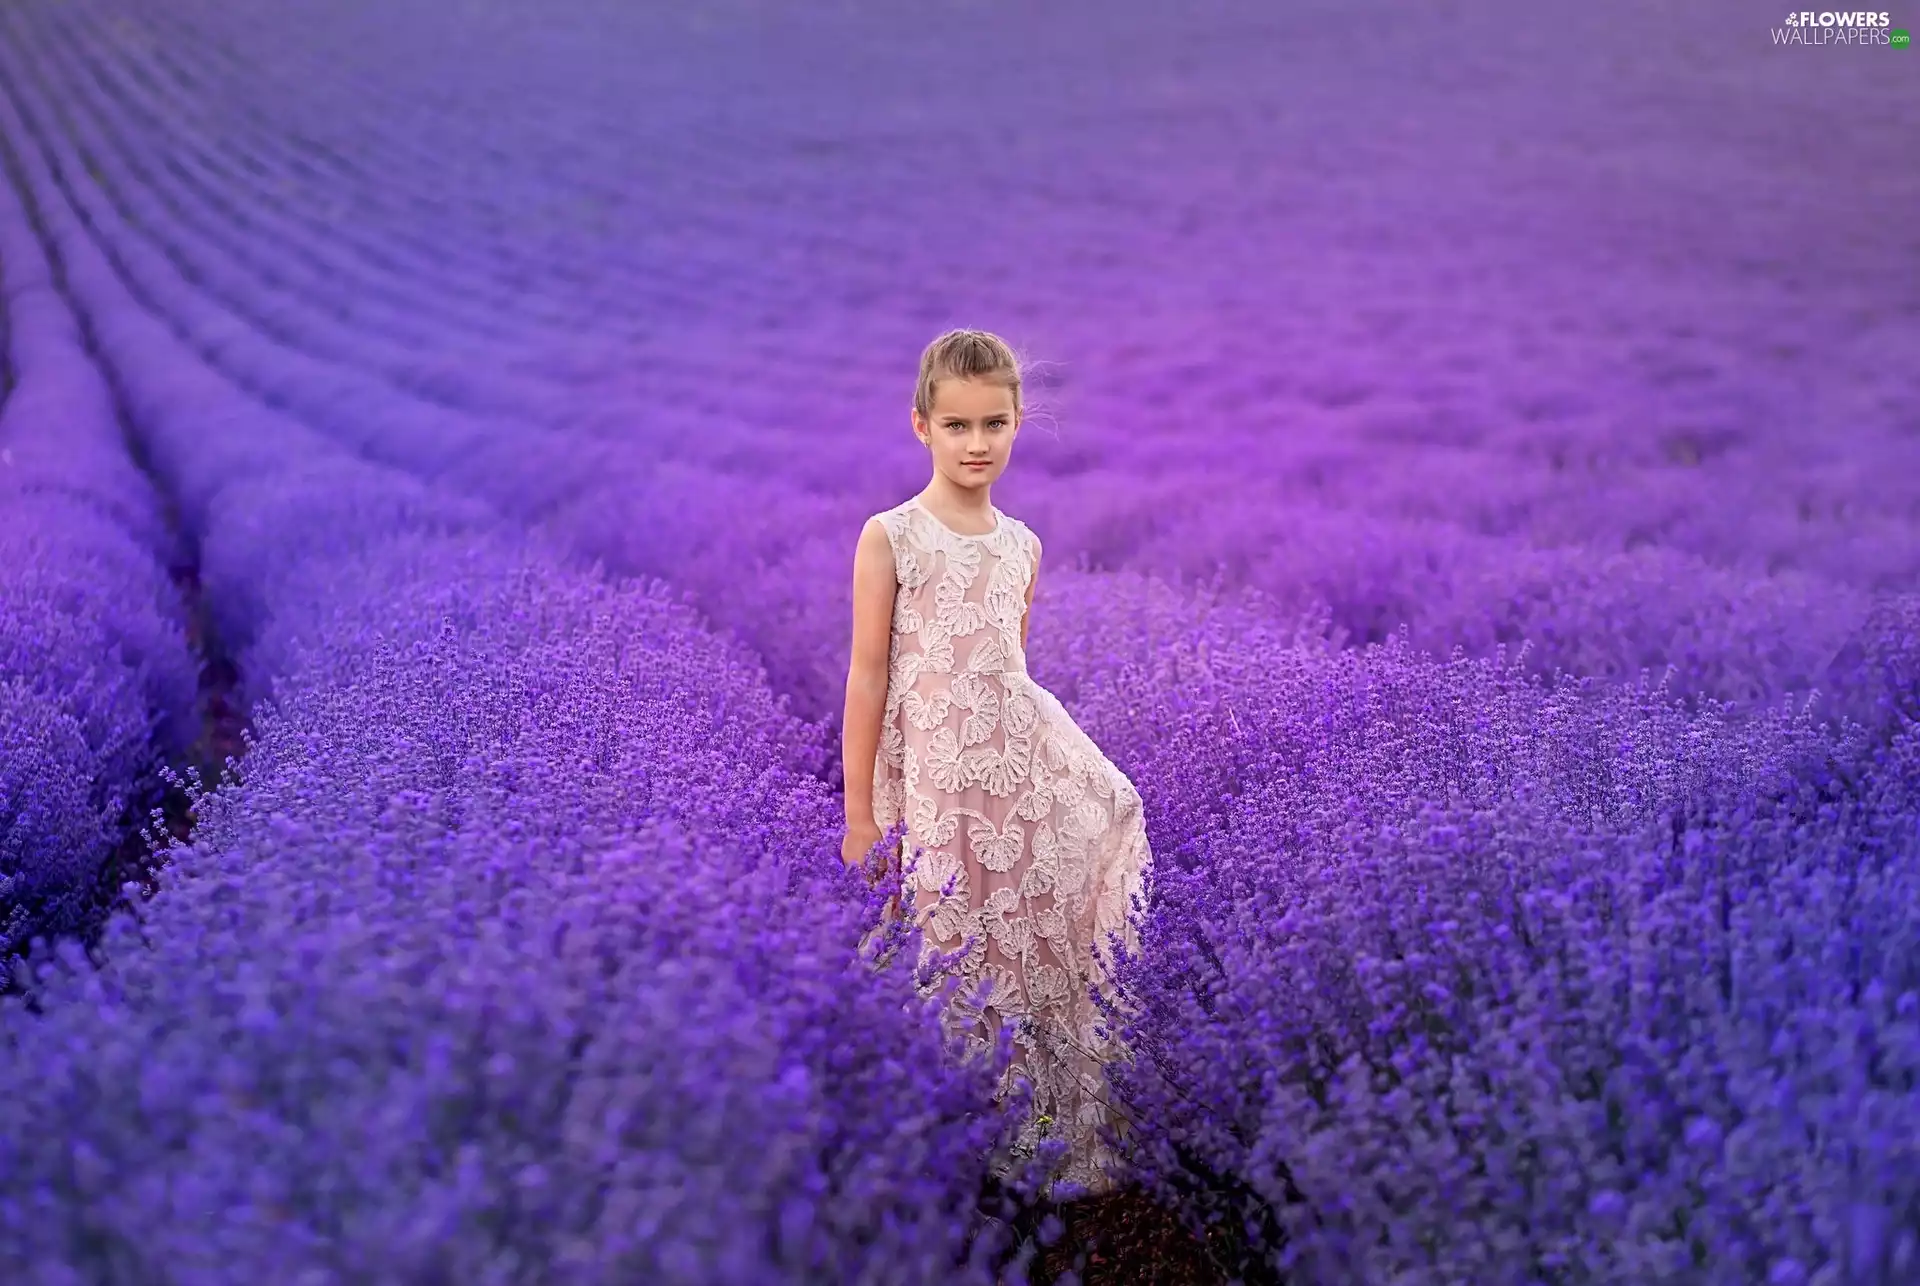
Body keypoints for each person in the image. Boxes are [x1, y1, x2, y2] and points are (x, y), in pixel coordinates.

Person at [840, 328, 1153, 1194]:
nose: (976, 444)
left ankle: (1034, 1129)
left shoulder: (1023, 545)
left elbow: (1009, 671)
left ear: (1018, 424)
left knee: (1021, 943)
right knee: (947, 940)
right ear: (921, 426)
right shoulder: (891, 536)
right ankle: (951, 1141)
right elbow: (868, 677)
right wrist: (861, 813)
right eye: (957, 425)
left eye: (994, 424)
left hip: (1015, 776)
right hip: (935, 780)